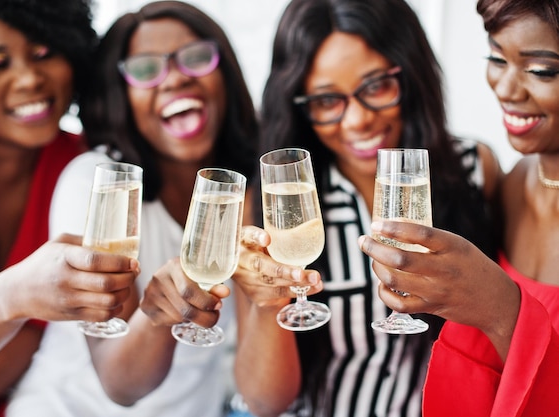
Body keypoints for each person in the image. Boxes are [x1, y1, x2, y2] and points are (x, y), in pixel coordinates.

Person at [231, 0, 504, 416]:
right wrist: (270, 304)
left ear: (409, 76)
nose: (357, 120)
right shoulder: (274, 206)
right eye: (327, 100)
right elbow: (265, 402)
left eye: (375, 86)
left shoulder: (474, 169)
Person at [5, 2, 276, 416]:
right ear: (120, 94)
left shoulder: (250, 191)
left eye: (197, 58)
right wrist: (158, 313)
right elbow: (121, 383)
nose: (176, 79)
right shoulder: (98, 182)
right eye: (146, 70)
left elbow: (263, 391)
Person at [0, 1, 140, 416]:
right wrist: (15, 295)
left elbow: (32, 337)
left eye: (45, 54)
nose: (29, 78)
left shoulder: (85, 169)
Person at [357, 0, 559, 415]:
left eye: (541, 70)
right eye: (496, 58)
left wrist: (502, 309)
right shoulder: (515, 183)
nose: (506, 88)